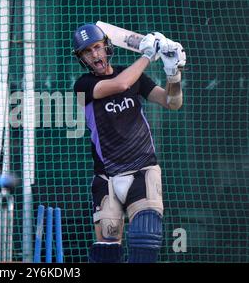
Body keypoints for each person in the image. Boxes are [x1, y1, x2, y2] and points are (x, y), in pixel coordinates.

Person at [72, 23, 186, 263]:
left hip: (143, 171)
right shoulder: (83, 86)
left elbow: (171, 102)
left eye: (97, 47)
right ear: (81, 58)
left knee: (146, 240)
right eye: (87, 52)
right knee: (106, 253)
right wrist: (147, 54)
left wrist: (173, 73)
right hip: (107, 177)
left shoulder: (134, 76)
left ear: (107, 47)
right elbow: (120, 85)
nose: (95, 55)